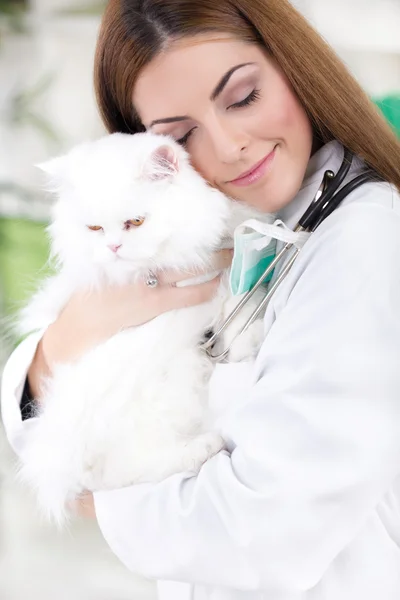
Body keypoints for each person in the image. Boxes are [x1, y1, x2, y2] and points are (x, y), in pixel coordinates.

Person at [2, 0, 400, 598]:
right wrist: (68, 336)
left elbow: (270, 530)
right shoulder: (215, 233)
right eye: (182, 134)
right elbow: (44, 423)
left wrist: (104, 503)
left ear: (293, 64)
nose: (230, 145)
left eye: (242, 97)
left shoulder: (364, 239)